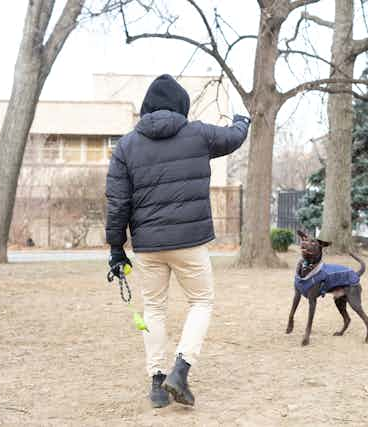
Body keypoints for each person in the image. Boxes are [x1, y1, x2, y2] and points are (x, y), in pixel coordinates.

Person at [105, 74, 250, 408]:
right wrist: (243, 120)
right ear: (181, 105)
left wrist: (116, 248)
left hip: (147, 246)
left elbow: (117, 202)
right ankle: (180, 371)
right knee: (201, 302)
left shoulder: (127, 145)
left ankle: (157, 381)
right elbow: (232, 138)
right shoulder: (196, 133)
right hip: (190, 242)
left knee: (154, 308)